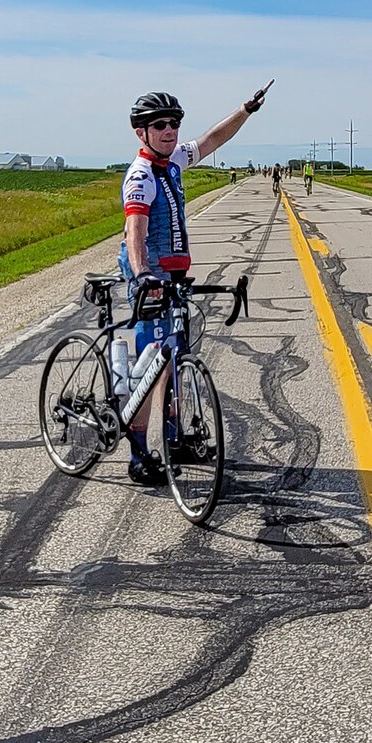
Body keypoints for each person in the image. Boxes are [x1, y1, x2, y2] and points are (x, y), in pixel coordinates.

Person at [119, 83, 270, 484]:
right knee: (151, 365)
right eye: (160, 125)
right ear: (142, 133)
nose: (170, 131)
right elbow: (135, 231)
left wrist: (245, 109)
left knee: (177, 354)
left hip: (175, 275)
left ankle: (177, 440)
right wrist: (143, 277)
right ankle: (138, 454)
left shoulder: (175, 162)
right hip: (151, 277)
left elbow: (212, 139)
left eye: (174, 123)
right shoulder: (141, 176)